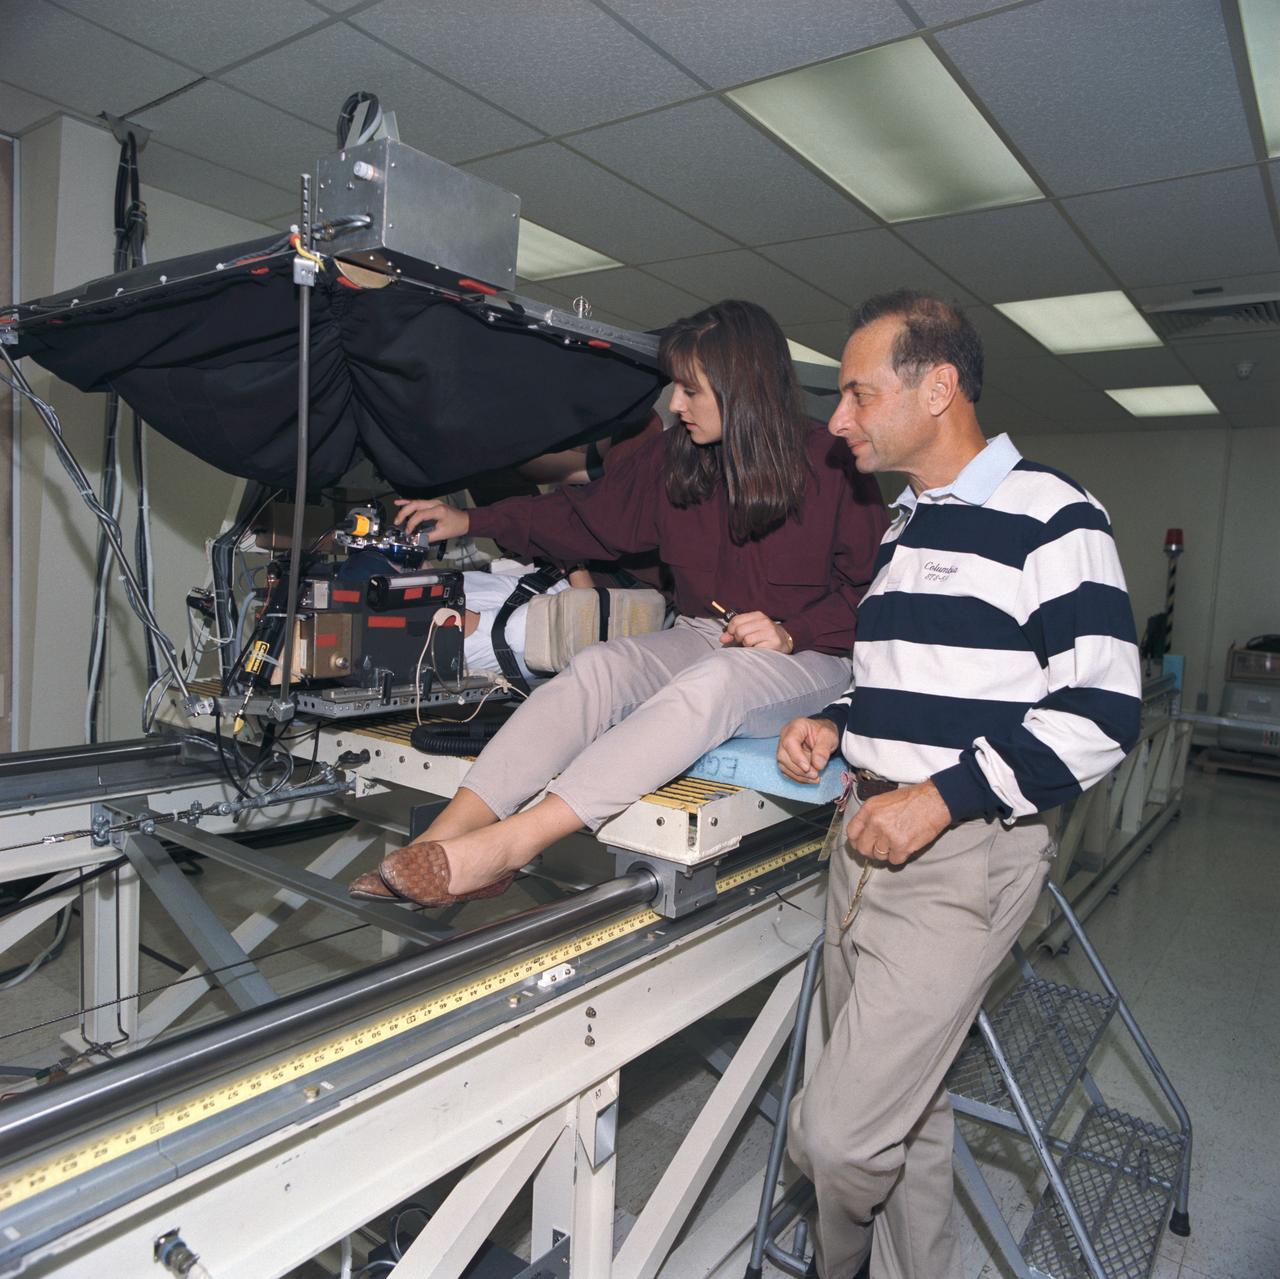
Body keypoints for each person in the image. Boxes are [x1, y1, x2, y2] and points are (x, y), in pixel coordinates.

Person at [775, 291, 1142, 1279]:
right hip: (861, 842)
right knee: (910, 1105)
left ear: (936, 389)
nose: (838, 420)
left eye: (857, 394)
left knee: (839, 1136)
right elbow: (920, 689)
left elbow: (1100, 712)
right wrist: (838, 724)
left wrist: (938, 797)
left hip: (957, 855)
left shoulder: (1049, 516)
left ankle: (833, 1267)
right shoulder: (905, 524)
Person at [347, 298, 888, 906]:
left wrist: (792, 631)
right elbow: (579, 516)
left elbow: (873, 595)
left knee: (716, 682)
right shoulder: (676, 459)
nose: (675, 405)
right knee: (598, 668)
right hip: (706, 632)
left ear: (743, 388)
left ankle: (513, 846)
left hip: (811, 652)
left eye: (690, 390)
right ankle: (448, 835)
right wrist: (470, 516)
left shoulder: (833, 466)